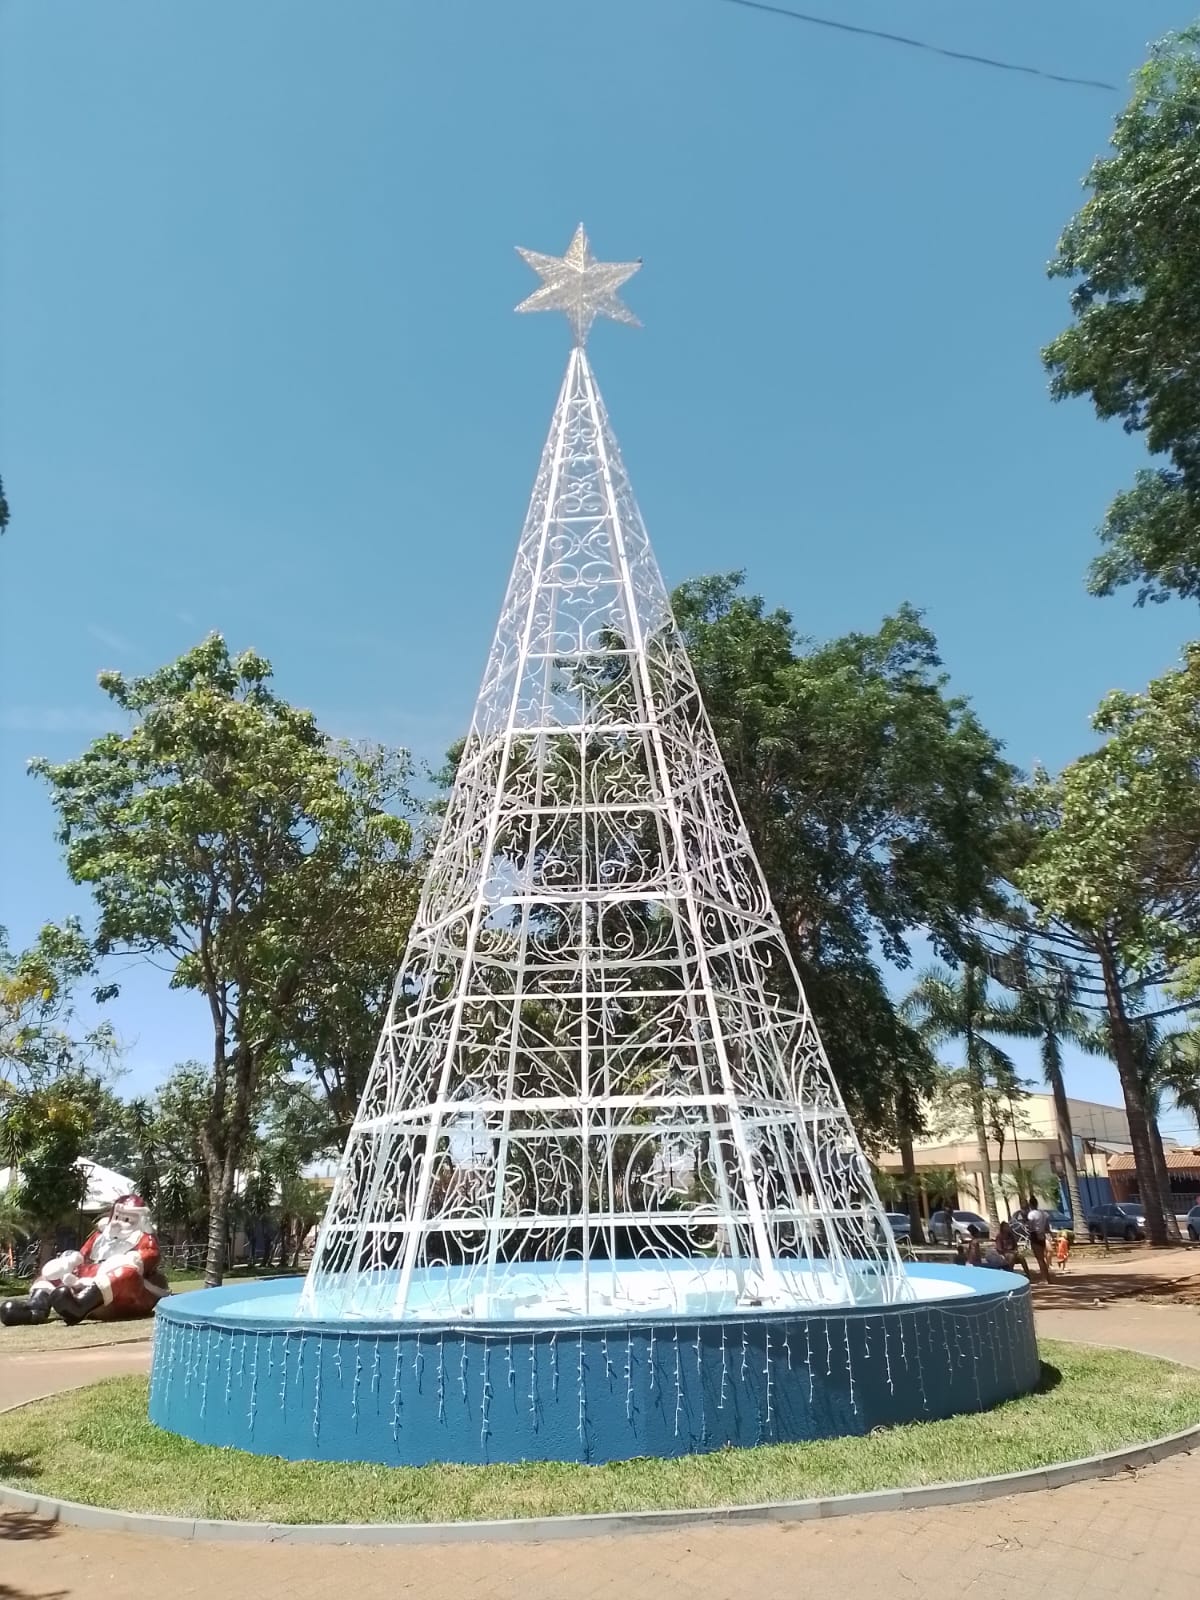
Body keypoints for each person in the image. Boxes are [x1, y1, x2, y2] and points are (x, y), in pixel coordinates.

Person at [0, 1194, 170, 1327]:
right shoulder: (100, 1236)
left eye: (127, 1220)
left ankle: (79, 1305)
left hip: (125, 1296)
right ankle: (35, 1308)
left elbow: (150, 1257)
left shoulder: (143, 1238)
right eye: (117, 1217)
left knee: (127, 1273)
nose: (119, 1224)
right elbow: (82, 1255)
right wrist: (70, 1263)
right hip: (87, 1280)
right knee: (52, 1274)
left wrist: (133, 1259)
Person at [1024, 1196, 1053, 1283]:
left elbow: (1030, 1226)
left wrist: (1028, 1227)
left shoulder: (1031, 1214)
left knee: (1039, 1258)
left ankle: (1044, 1279)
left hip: (1034, 1235)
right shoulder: (1043, 1213)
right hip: (1042, 1235)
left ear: (1030, 1205)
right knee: (1042, 1258)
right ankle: (1047, 1278)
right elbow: (1047, 1226)